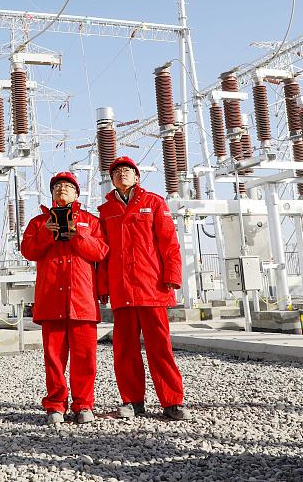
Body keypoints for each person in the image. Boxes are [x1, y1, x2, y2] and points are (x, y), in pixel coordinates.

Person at [97, 156, 190, 421]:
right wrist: (103, 285)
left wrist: (172, 276)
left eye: (127, 170)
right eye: (117, 172)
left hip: (152, 287)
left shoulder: (155, 203)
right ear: (112, 180)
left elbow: (169, 243)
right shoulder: (106, 211)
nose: (122, 174)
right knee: (124, 349)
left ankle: (172, 401)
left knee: (160, 347)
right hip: (122, 290)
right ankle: (132, 401)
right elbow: (103, 253)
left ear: (137, 177)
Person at [21, 171, 108, 425]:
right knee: (54, 358)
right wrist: (47, 233)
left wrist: (78, 234)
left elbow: (101, 252)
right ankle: (56, 405)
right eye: (57, 186)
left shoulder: (90, 222)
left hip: (82, 300)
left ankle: (84, 404)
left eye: (68, 186)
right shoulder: (39, 223)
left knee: (85, 358)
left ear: (77, 194)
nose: (62, 189)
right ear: (51, 193)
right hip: (51, 300)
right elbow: (28, 251)